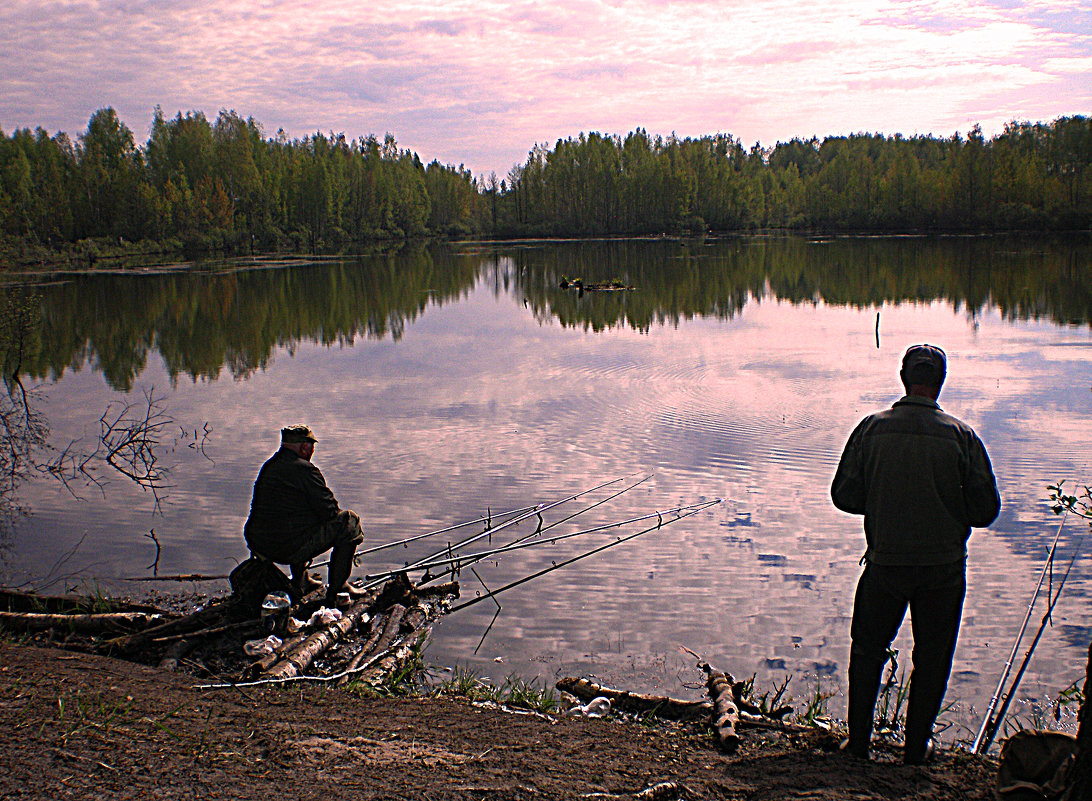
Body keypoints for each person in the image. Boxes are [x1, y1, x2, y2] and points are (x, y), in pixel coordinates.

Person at [831, 344, 1001, 764]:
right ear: (940, 382)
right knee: (933, 656)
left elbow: (844, 496)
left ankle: (858, 744)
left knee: (867, 650)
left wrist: (886, 498)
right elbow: (985, 512)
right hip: (943, 570)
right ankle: (915, 748)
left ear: (903, 378)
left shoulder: (871, 429)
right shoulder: (963, 436)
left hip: (885, 564)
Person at [244, 424, 364, 605]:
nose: (312, 451)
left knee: (297, 518)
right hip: (286, 548)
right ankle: (338, 588)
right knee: (348, 521)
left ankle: (302, 580)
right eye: (312, 446)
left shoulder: (269, 467)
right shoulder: (306, 470)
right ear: (304, 447)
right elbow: (331, 512)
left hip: (260, 544)